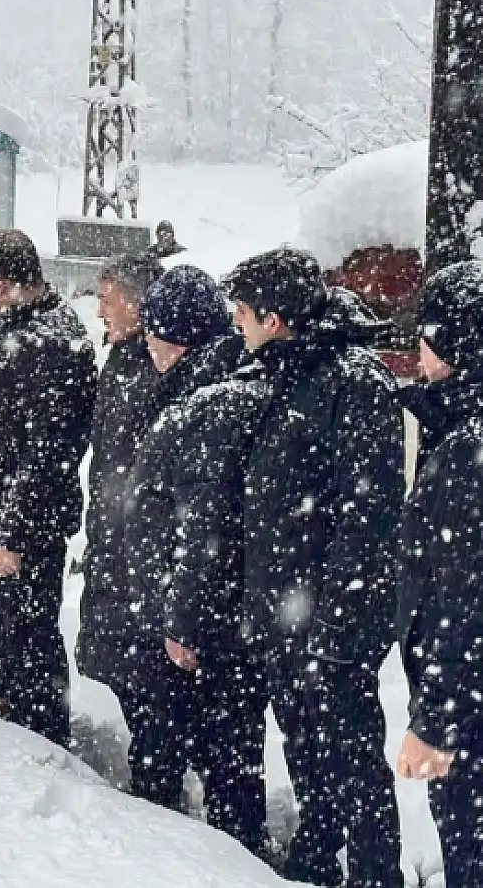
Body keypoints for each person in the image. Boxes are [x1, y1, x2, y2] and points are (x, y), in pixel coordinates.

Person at [222, 248, 404, 888]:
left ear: (274, 318)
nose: (235, 324)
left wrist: (335, 629)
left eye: (242, 312)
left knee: (356, 770)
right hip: (286, 619)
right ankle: (316, 866)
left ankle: (376, 876)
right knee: (310, 760)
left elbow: (368, 517)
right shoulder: (281, 374)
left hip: (332, 626)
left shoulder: (354, 383)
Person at [126, 266, 266, 854]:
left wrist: (181, 621)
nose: (143, 342)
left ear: (177, 336)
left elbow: (204, 522)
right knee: (227, 748)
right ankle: (226, 848)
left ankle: (195, 859)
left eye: (152, 331)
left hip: (205, 616)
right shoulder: (204, 380)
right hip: (214, 607)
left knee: (204, 748)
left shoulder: (207, 400)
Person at [0, 230, 98, 747]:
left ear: (0, 282)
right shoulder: (18, 329)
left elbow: (45, 454)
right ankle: (6, 725)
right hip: (3, 511)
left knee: (30, 636)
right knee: (2, 628)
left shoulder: (51, 341)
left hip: (28, 524)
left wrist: (12, 536)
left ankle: (41, 740)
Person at [397, 261, 483, 888]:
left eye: (425, 341)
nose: (416, 356)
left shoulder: (465, 452)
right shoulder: (459, 428)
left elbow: (462, 595)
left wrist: (437, 723)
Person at [76, 252, 169, 775]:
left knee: (147, 680)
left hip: (136, 549)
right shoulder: (121, 360)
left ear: (138, 303)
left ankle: (157, 786)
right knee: (124, 670)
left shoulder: (151, 368)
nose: (100, 313)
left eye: (107, 301)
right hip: (115, 541)